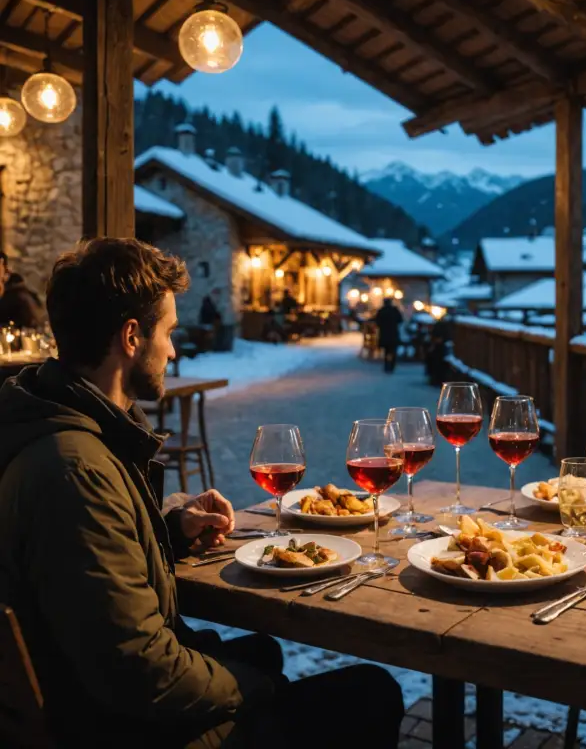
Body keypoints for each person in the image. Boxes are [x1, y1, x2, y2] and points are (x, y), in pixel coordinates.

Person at [0, 238, 403, 749]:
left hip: (92, 700)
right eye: (168, 332)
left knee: (262, 650)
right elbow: (140, 671)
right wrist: (255, 689)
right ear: (131, 337)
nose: (173, 350)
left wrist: (170, 529)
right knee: (371, 693)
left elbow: (88, 571)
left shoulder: (66, 426)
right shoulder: (74, 471)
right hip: (117, 730)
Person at [375, 297, 403, 373]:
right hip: (393, 333)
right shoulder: (394, 310)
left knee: (386, 351)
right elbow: (400, 320)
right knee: (393, 351)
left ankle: (386, 366)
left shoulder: (381, 311)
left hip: (384, 334)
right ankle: (392, 366)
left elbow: (377, 322)